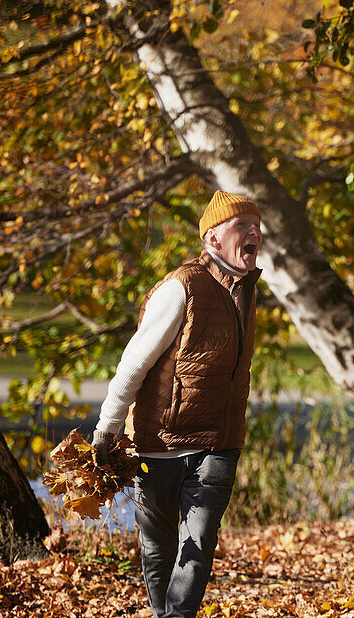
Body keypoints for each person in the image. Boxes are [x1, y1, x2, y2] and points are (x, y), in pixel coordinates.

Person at [91, 190, 263, 618]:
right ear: (213, 239)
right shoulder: (180, 288)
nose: (254, 232)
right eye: (241, 225)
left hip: (217, 443)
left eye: (257, 225)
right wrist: (108, 429)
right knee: (157, 552)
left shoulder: (245, 291)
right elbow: (133, 365)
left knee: (199, 544)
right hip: (158, 442)